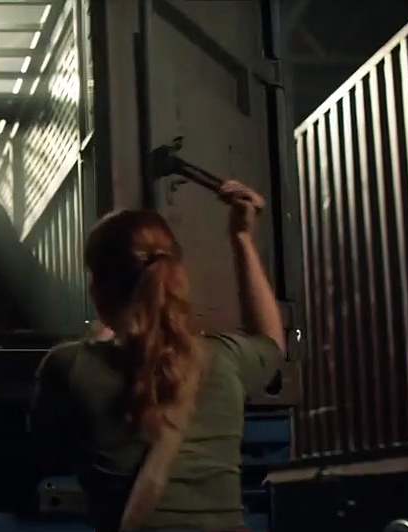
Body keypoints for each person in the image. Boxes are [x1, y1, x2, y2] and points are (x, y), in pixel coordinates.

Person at [29, 180, 285, 531]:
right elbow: (271, 342)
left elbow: (46, 451)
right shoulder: (224, 359)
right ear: (176, 277)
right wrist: (241, 237)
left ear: (96, 290)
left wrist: (101, 337)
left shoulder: (70, 367)